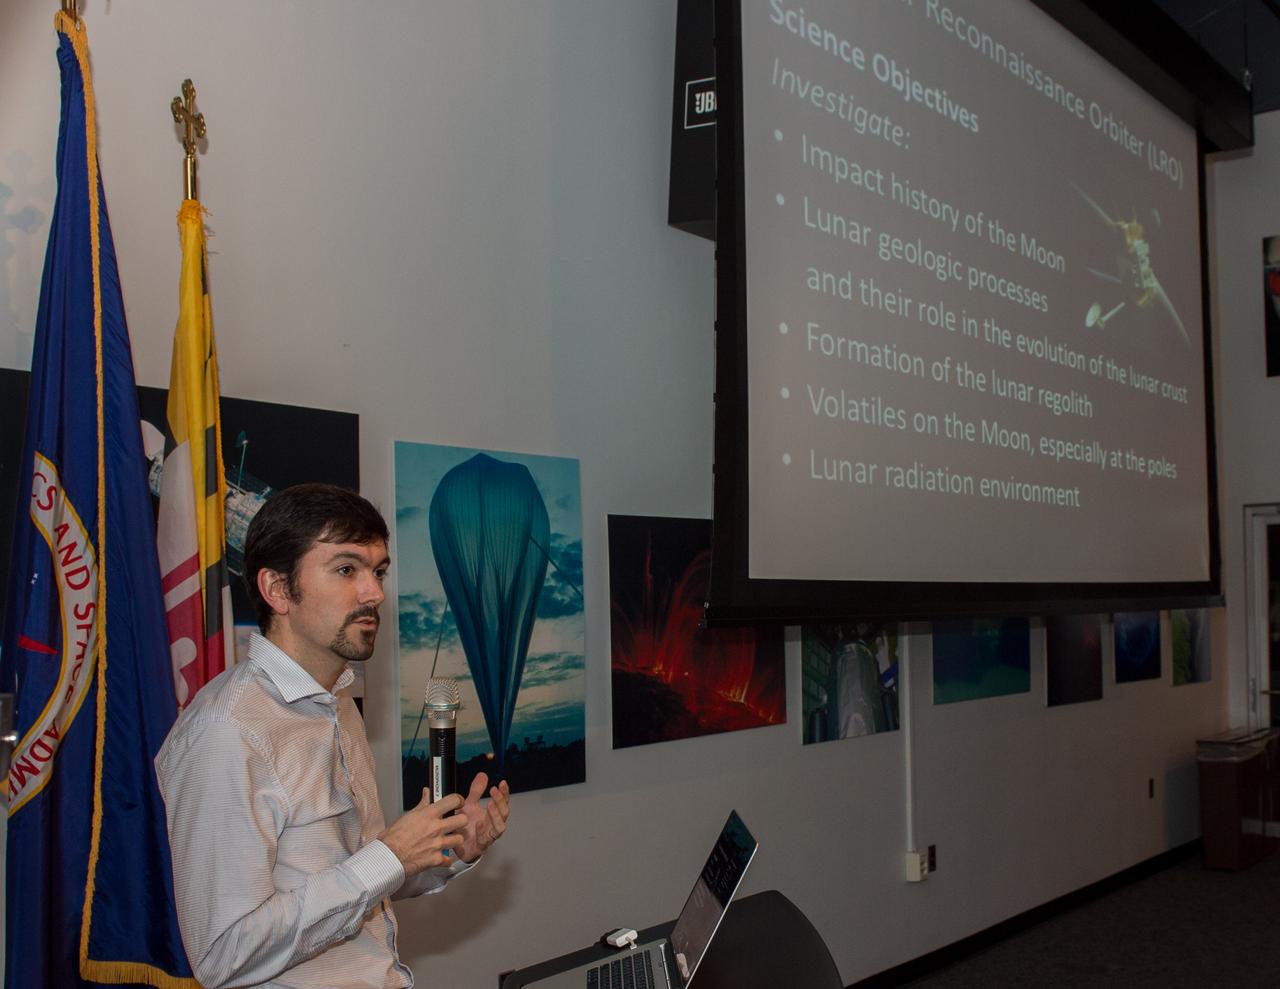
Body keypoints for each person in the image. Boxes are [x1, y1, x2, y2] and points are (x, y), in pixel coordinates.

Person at [155, 483, 510, 988]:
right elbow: (223, 953)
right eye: (347, 570)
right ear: (278, 590)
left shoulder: (338, 702)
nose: (374, 593)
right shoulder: (228, 732)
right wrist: (387, 856)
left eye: (379, 571)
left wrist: (448, 852)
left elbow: (356, 877)